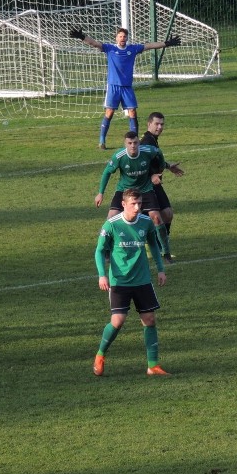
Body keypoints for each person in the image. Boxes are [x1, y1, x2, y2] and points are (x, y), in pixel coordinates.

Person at [93, 188, 169, 377]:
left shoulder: (145, 222)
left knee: (150, 320)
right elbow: (99, 251)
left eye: (140, 204)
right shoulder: (112, 225)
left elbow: (153, 243)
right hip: (120, 281)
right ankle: (100, 355)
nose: (137, 207)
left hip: (142, 279)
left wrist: (160, 269)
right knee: (118, 321)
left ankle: (153, 366)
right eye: (133, 204)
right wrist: (102, 275)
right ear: (123, 204)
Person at [69, 27, 181, 149]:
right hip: (114, 87)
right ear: (116, 38)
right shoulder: (109, 48)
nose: (122, 38)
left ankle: (135, 141)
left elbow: (149, 46)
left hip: (127, 87)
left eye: (124, 36)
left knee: (132, 112)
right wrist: (82, 37)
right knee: (109, 112)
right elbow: (94, 43)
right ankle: (102, 141)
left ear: (127, 38)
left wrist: (166, 43)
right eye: (120, 36)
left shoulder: (132, 49)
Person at [95, 131, 172, 262]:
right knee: (111, 217)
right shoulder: (119, 156)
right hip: (124, 190)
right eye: (130, 143)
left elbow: (159, 153)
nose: (133, 146)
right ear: (125, 144)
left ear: (138, 143)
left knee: (157, 218)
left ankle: (166, 252)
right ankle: (107, 251)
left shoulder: (147, 151)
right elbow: (107, 172)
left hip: (145, 189)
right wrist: (100, 193)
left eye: (135, 142)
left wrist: (160, 170)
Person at [141, 112, 185, 257]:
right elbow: (141, 163)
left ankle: (158, 247)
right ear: (149, 124)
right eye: (157, 124)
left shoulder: (152, 139)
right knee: (164, 214)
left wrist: (167, 166)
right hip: (148, 184)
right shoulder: (147, 141)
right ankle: (155, 247)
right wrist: (152, 175)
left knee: (166, 214)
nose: (160, 127)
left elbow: (154, 160)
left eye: (162, 124)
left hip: (154, 182)